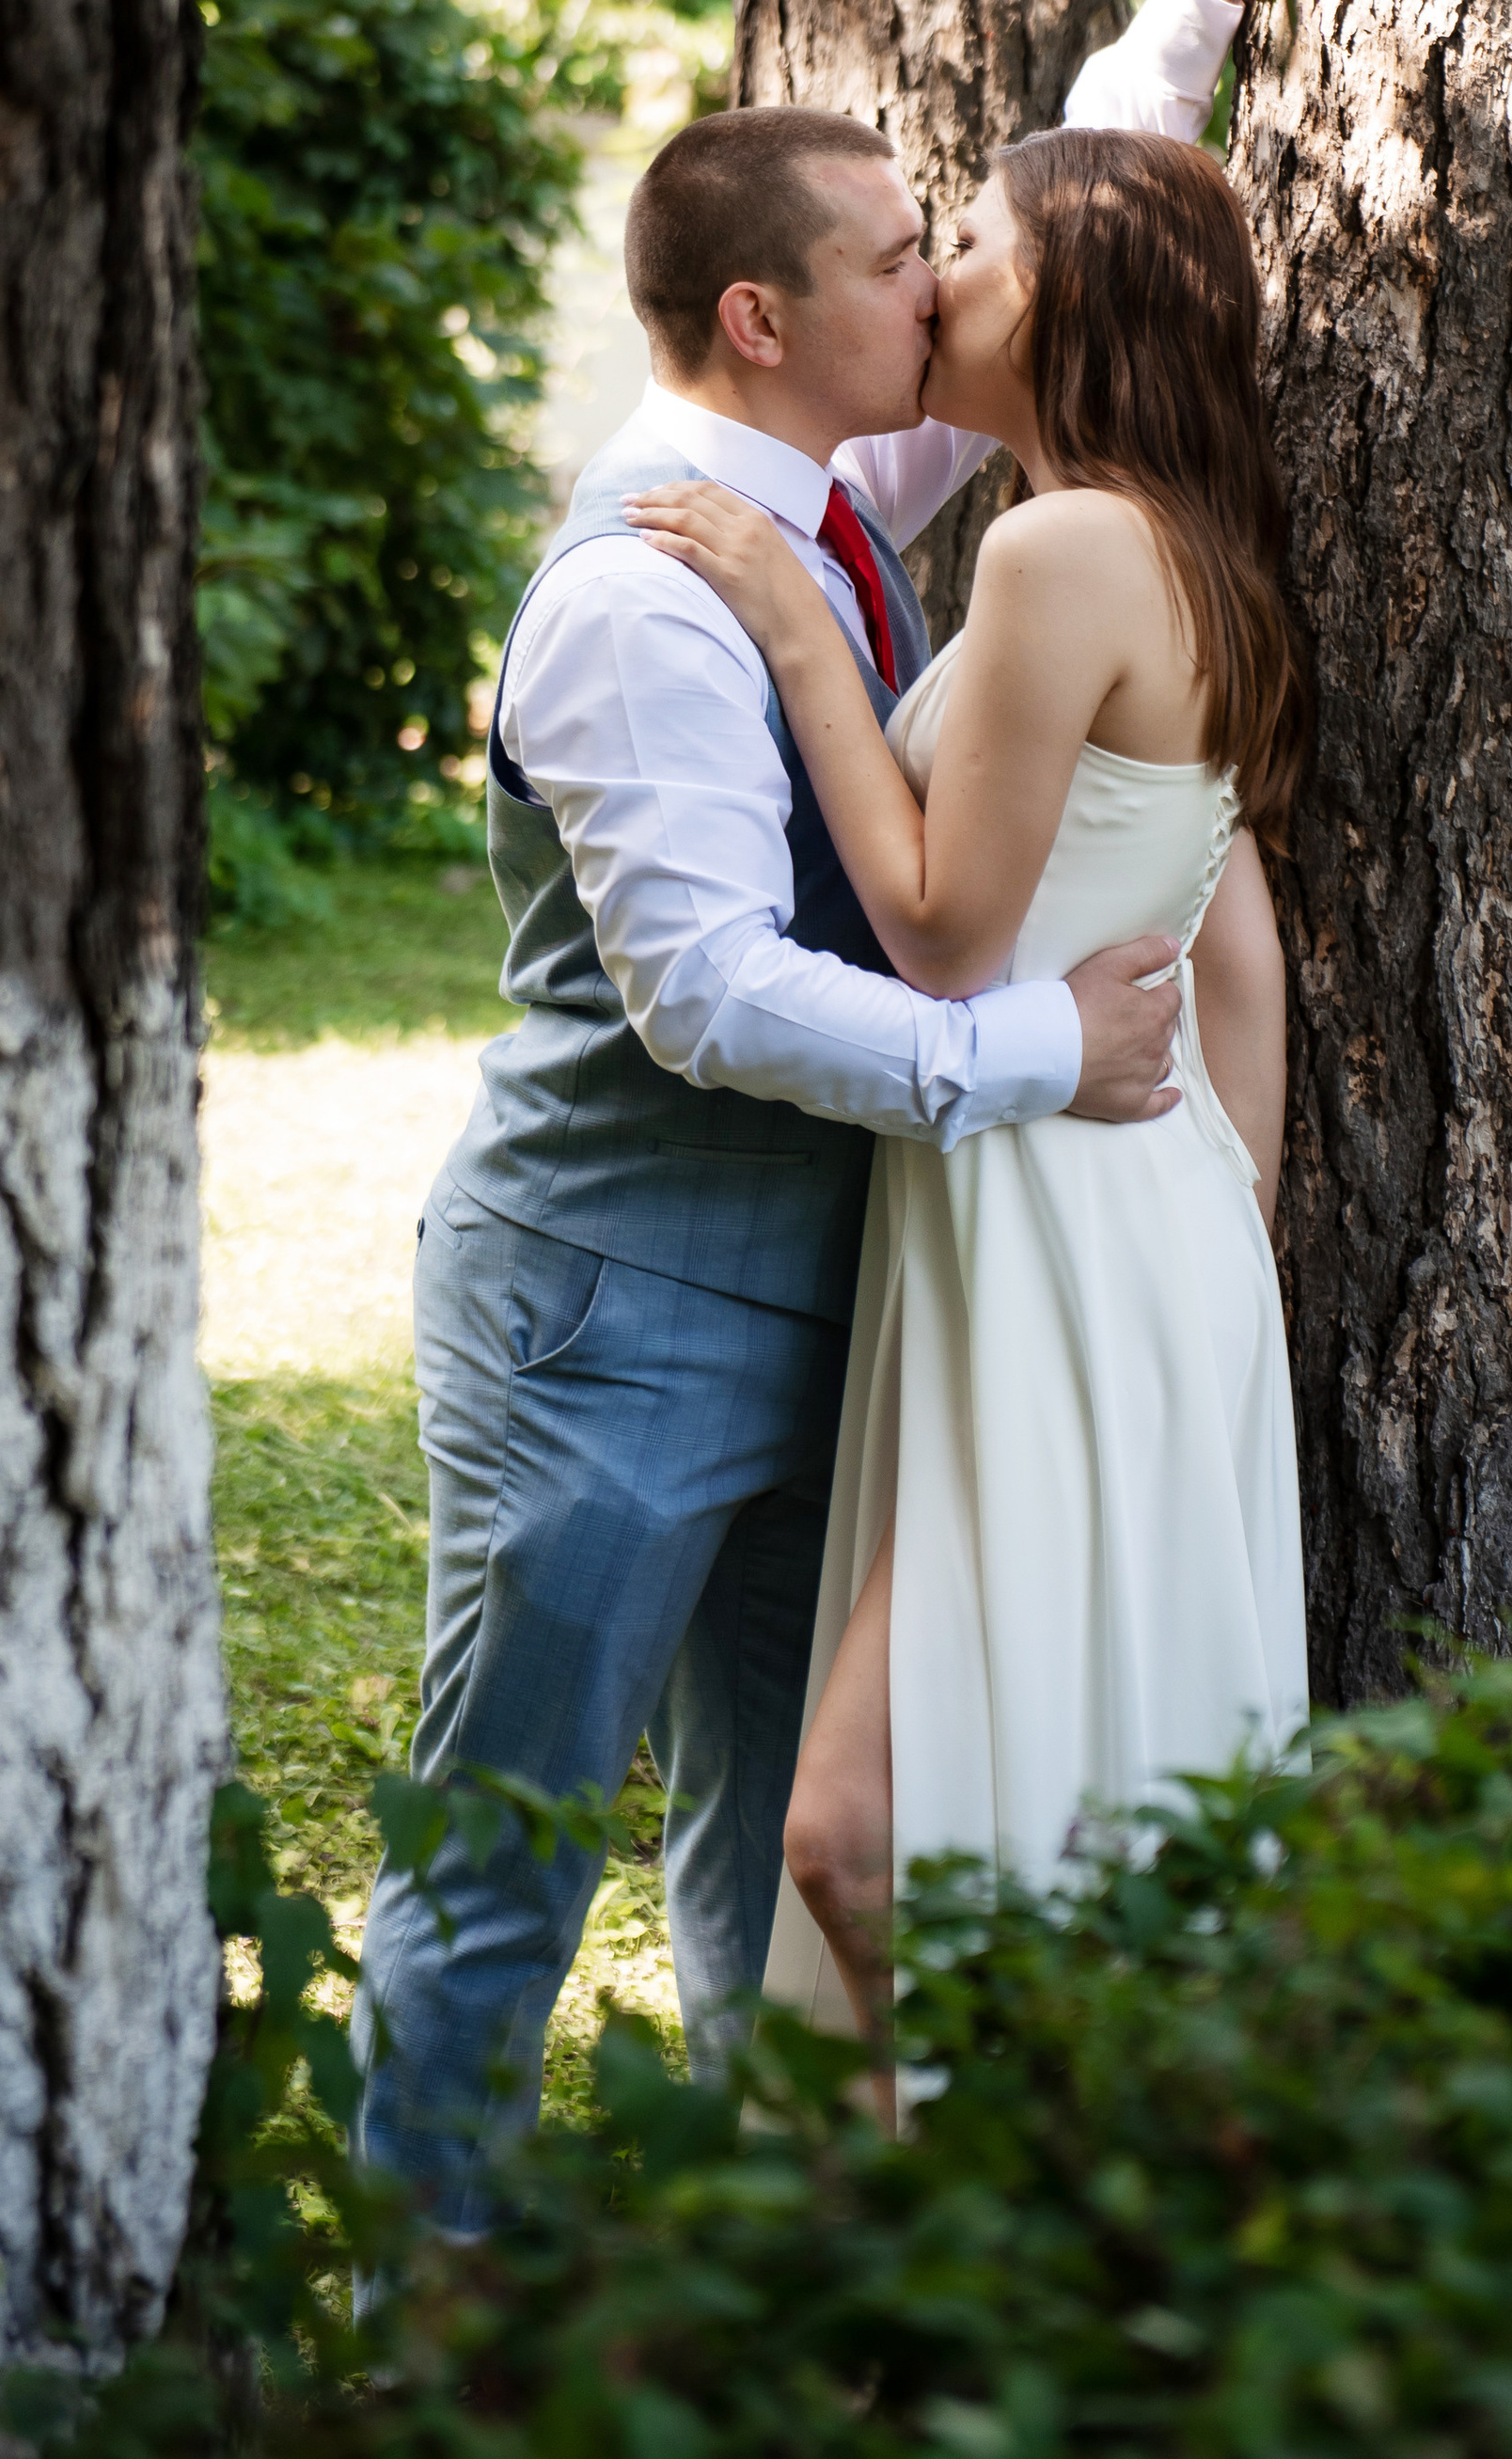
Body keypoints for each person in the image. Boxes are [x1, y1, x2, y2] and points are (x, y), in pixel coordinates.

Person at [349, 0, 1306, 2230]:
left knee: (783, 1856)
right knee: (510, 1854)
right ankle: (421, 2328)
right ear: (769, 320)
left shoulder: (842, 496)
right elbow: (703, 995)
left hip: (865, 1294)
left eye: (953, 244)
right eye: (908, 252)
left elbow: (1062, 270)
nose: (947, 277)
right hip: (619, 1303)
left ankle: (773, 2274)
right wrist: (1030, 1060)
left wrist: (1192, 9)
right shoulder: (650, 593)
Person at [627, 111, 1313, 2070]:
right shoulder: (1176, 548)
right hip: (1126, 1222)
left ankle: (1004, 2242)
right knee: (919, 1811)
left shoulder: (1060, 547)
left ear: (1071, 303)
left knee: (862, 1832)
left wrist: (788, 626)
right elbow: (1236, 951)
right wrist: (1208, 1242)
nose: (933, 281)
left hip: (1060, 1220)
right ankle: (929, 2293)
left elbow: (936, 933)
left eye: (974, 251)